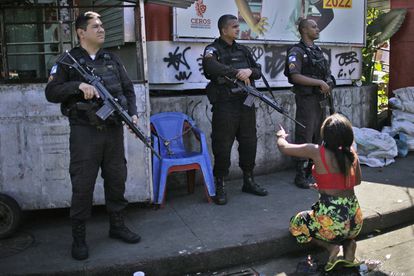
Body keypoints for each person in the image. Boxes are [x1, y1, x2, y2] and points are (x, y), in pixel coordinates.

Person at [45, 11, 140, 261]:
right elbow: (51, 92)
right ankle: (79, 238)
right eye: (95, 26)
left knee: (117, 179)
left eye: (102, 26)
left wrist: (133, 114)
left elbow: (128, 89)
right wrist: (77, 86)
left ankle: (117, 226)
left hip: (113, 131)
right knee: (83, 185)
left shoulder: (112, 58)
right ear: (81, 32)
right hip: (84, 133)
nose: (101, 29)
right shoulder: (67, 61)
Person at [276, 113, 363, 272]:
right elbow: (356, 182)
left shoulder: (316, 151)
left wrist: (281, 136)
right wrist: (325, 185)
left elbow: (284, 147)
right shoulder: (351, 153)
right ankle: (350, 246)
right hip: (355, 221)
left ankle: (331, 247)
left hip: (332, 224)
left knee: (297, 223)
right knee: (345, 229)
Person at [202, 14, 268, 205]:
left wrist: (248, 72)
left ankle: (248, 180)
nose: (238, 29)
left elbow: (257, 70)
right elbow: (210, 66)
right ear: (224, 30)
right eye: (234, 27)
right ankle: (220, 184)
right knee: (222, 146)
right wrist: (236, 73)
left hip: (246, 105)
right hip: (225, 106)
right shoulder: (212, 49)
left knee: (249, 143)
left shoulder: (243, 50)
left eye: (238, 26)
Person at [284, 18, 334, 189]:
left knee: (319, 136)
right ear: (304, 30)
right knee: (305, 136)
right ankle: (300, 175)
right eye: (313, 27)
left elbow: (327, 74)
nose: (317, 29)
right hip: (306, 100)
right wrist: (319, 83)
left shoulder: (317, 51)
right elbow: (295, 76)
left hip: (320, 101)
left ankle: (313, 172)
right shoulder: (296, 51)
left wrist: (328, 82)